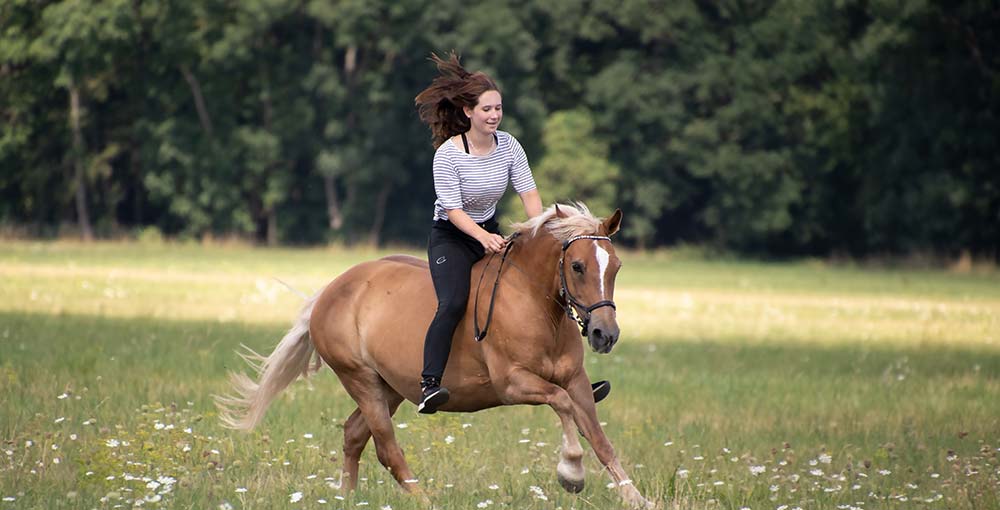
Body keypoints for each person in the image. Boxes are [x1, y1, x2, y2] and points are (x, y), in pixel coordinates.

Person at [413, 52, 610, 414]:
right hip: (453, 237)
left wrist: (540, 234)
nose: (494, 116)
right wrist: (482, 238)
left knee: (550, 286)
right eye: (486, 109)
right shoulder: (447, 155)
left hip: (490, 232)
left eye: (498, 109)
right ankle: (429, 382)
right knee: (453, 302)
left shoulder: (510, 146)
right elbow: (454, 210)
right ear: (468, 112)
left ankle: (572, 376)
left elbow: (530, 194)